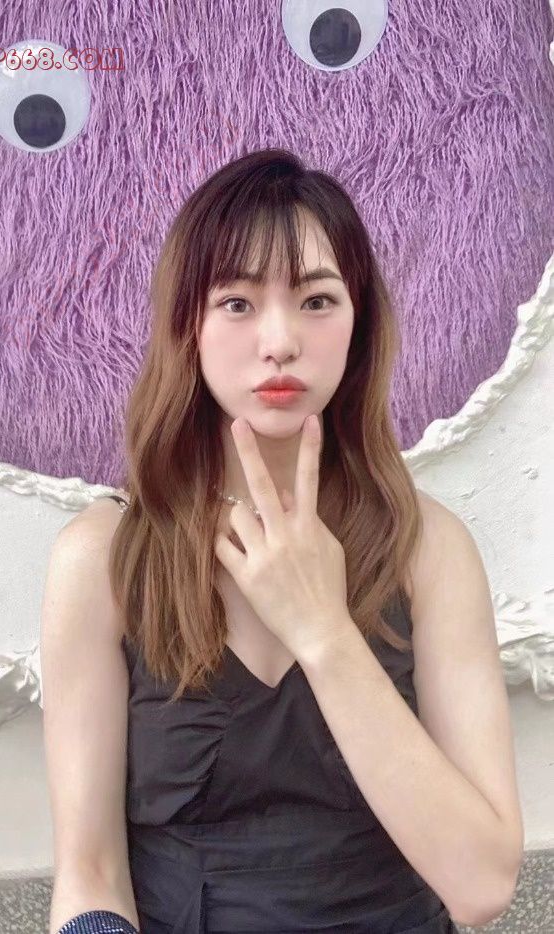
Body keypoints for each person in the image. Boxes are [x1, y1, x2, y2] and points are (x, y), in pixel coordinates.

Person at [42, 148, 523, 933]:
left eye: (316, 300)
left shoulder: (429, 550)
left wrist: (323, 631)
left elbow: (482, 885)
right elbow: (89, 874)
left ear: (358, 324)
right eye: (237, 302)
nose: (279, 341)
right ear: (188, 326)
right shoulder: (100, 561)